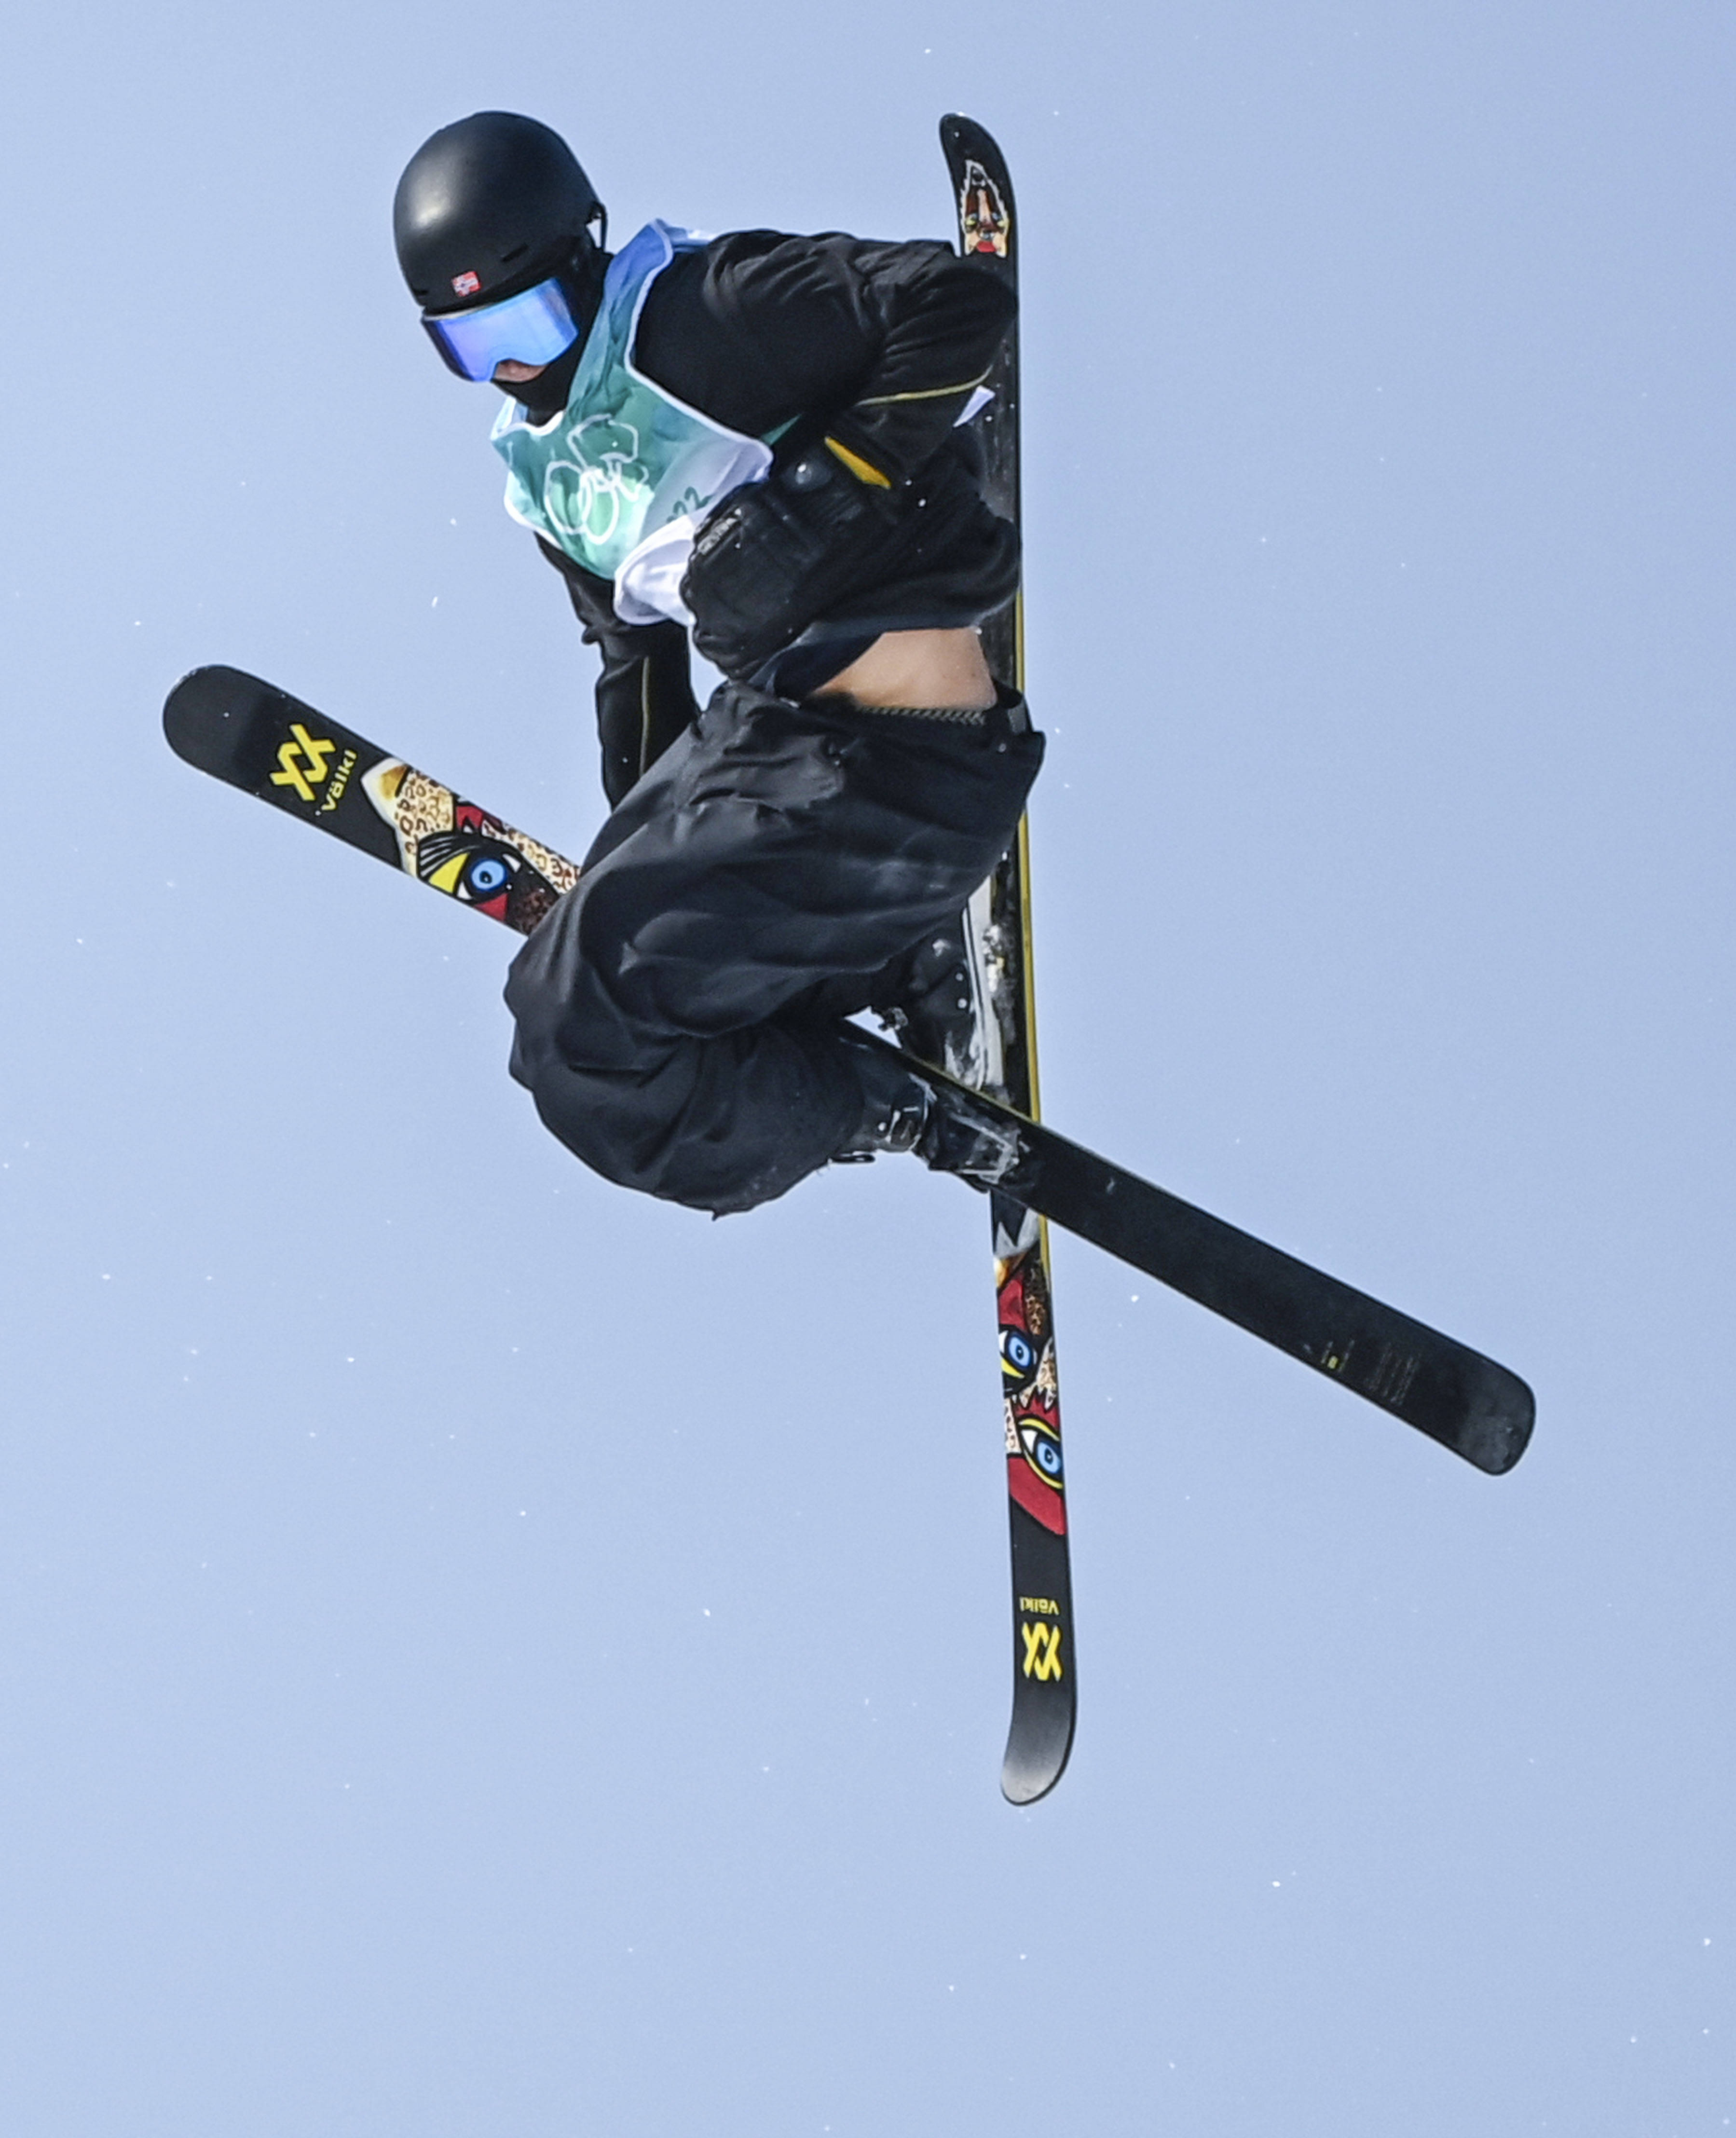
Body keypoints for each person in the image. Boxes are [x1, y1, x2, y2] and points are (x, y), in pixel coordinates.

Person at [393, 110, 1044, 1215]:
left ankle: (878, 1093)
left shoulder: (706, 311)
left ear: (584, 257)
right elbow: (637, 673)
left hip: (905, 775)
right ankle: (890, 961)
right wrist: (629, 855)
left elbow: (959, 301)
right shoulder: (552, 487)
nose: (513, 365)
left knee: (575, 1039)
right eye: (471, 345)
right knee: (575, 1023)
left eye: (534, 319)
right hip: (780, 760)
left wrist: (820, 489)